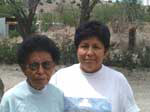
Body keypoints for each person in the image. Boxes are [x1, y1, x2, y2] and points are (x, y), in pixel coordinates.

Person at [50, 21, 140, 112]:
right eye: (84, 46)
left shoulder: (118, 81)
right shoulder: (60, 78)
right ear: (77, 49)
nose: (89, 53)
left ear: (105, 51)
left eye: (96, 47)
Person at [0, 35, 64, 112]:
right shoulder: (11, 98)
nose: (40, 71)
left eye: (46, 65)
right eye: (34, 65)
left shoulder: (58, 95)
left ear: (53, 66)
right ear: (23, 69)